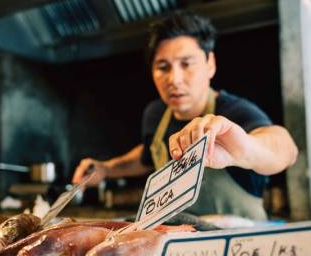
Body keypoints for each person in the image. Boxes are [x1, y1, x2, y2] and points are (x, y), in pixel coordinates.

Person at [72, 11, 298, 220]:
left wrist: (245, 148)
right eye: (163, 67)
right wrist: (106, 169)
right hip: (180, 245)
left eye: (186, 64)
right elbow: (148, 154)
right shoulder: (156, 114)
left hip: (240, 245)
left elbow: (285, 149)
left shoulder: (235, 111)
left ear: (210, 64)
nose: (174, 79)